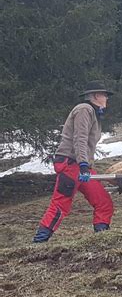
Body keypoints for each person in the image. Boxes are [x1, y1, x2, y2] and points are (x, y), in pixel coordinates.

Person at [33, 81, 115, 243]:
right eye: (105, 95)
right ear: (96, 95)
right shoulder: (84, 110)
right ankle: (39, 241)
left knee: (103, 202)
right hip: (72, 164)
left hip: (82, 167)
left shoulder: (93, 112)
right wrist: (83, 165)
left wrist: (85, 166)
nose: (106, 98)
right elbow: (80, 138)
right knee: (60, 204)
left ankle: (102, 239)